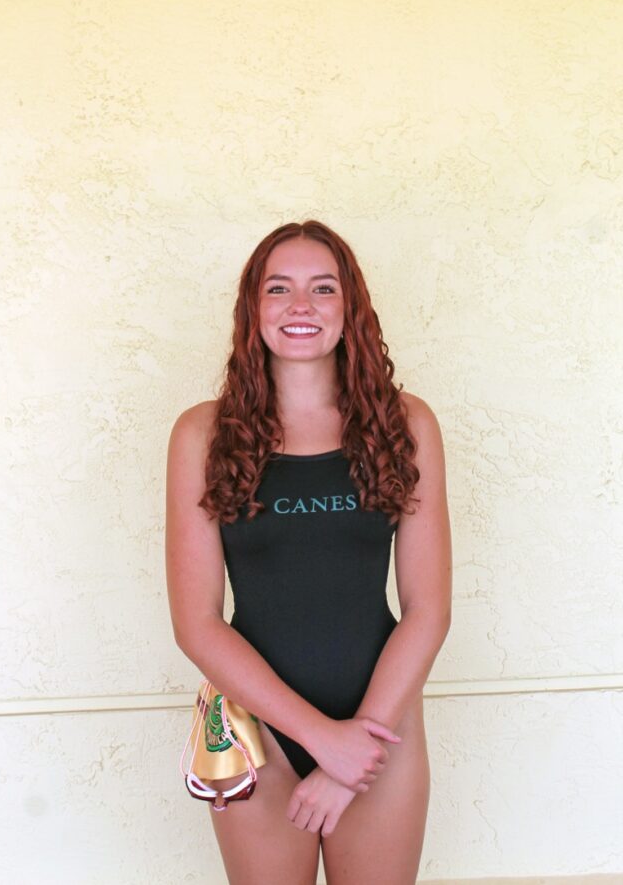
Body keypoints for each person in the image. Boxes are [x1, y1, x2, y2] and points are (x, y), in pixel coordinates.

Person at [165, 220, 452, 885]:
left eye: (323, 288)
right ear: (252, 310)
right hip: (254, 729)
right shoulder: (201, 435)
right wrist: (324, 740)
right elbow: (197, 622)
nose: (302, 306)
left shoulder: (406, 424)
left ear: (350, 307)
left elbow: (428, 608)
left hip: (381, 723)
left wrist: (360, 742)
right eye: (280, 288)